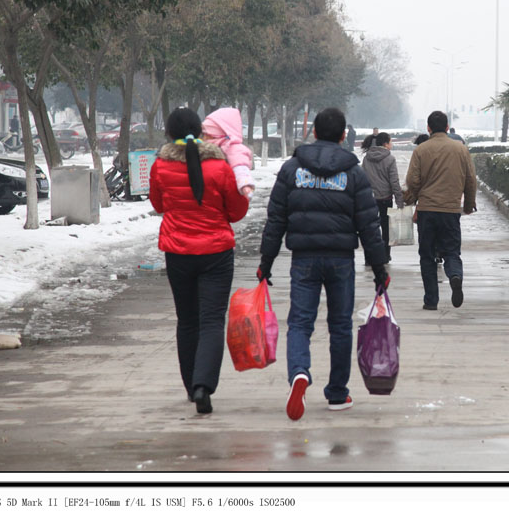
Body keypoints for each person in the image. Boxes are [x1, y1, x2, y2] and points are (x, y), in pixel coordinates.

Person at [258, 107, 388, 421]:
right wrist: (380, 268)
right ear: (344, 135)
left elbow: (276, 219)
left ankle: (299, 372)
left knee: (300, 322)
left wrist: (266, 260)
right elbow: (369, 225)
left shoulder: (292, 169)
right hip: (341, 260)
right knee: (340, 326)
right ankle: (337, 393)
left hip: (303, 259)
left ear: (314, 132)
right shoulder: (353, 173)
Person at [149, 107, 250, 414]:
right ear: (202, 131)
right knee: (211, 320)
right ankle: (203, 385)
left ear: (168, 134)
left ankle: (191, 383)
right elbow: (235, 211)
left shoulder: (160, 166)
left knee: (187, 319)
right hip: (216, 253)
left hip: (177, 252)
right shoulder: (219, 167)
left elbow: (158, 204)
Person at [403, 110, 477, 310]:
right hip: (451, 210)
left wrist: (410, 200)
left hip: (427, 210)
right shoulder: (461, 150)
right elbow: (470, 180)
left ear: (428, 128)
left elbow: (413, 181)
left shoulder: (421, 150)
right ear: (447, 127)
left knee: (427, 255)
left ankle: (431, 301)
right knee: (452, 251)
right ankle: (454, 275)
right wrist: (468, 206)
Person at [362, 132, 405, 265]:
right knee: (386, 228)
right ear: (385, 143)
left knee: (370, 228)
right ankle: (385, 256)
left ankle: (369, 257)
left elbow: (362, 179)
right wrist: (399, 201)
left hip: (369, 199)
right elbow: (394, 181)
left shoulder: (366, 158)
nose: (391, 144)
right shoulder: (390, 159)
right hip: (385, 198)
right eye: (390, 142)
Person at [200, 107, 255, 197]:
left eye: (208, 135)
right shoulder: (211, 148)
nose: (204, 138)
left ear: (219, 134)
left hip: (230, 193)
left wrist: (245, 184)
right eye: (204, 134)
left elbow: (241, 168)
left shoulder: (234, 148)